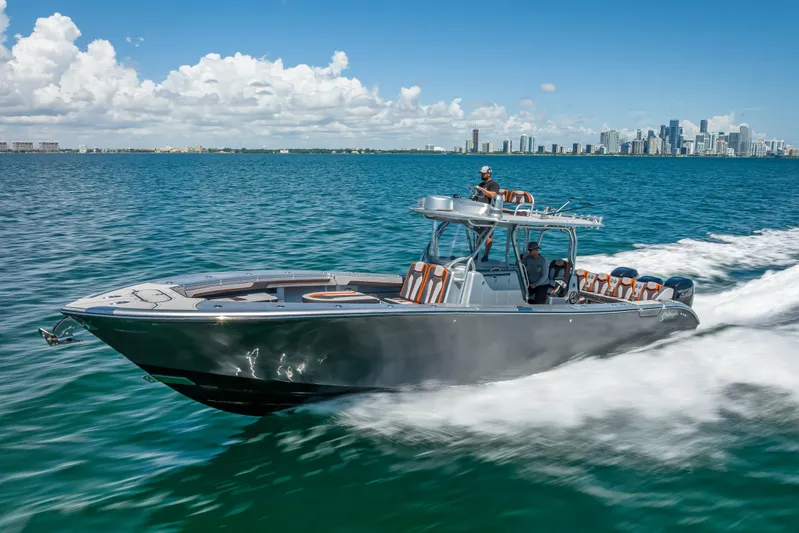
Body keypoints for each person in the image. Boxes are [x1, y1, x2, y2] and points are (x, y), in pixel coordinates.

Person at [474, 166, 500, 260]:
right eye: (481, 173)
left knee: (488, 235)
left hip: (488, 212)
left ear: (489, 174)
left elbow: (493, 195)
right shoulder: (481, 184)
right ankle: (476, 254)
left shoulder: (494, 184)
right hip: (479, 212)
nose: (482, 174)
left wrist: (481, 190)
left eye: (483, 173)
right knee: (478, 234)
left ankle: (486, 255)